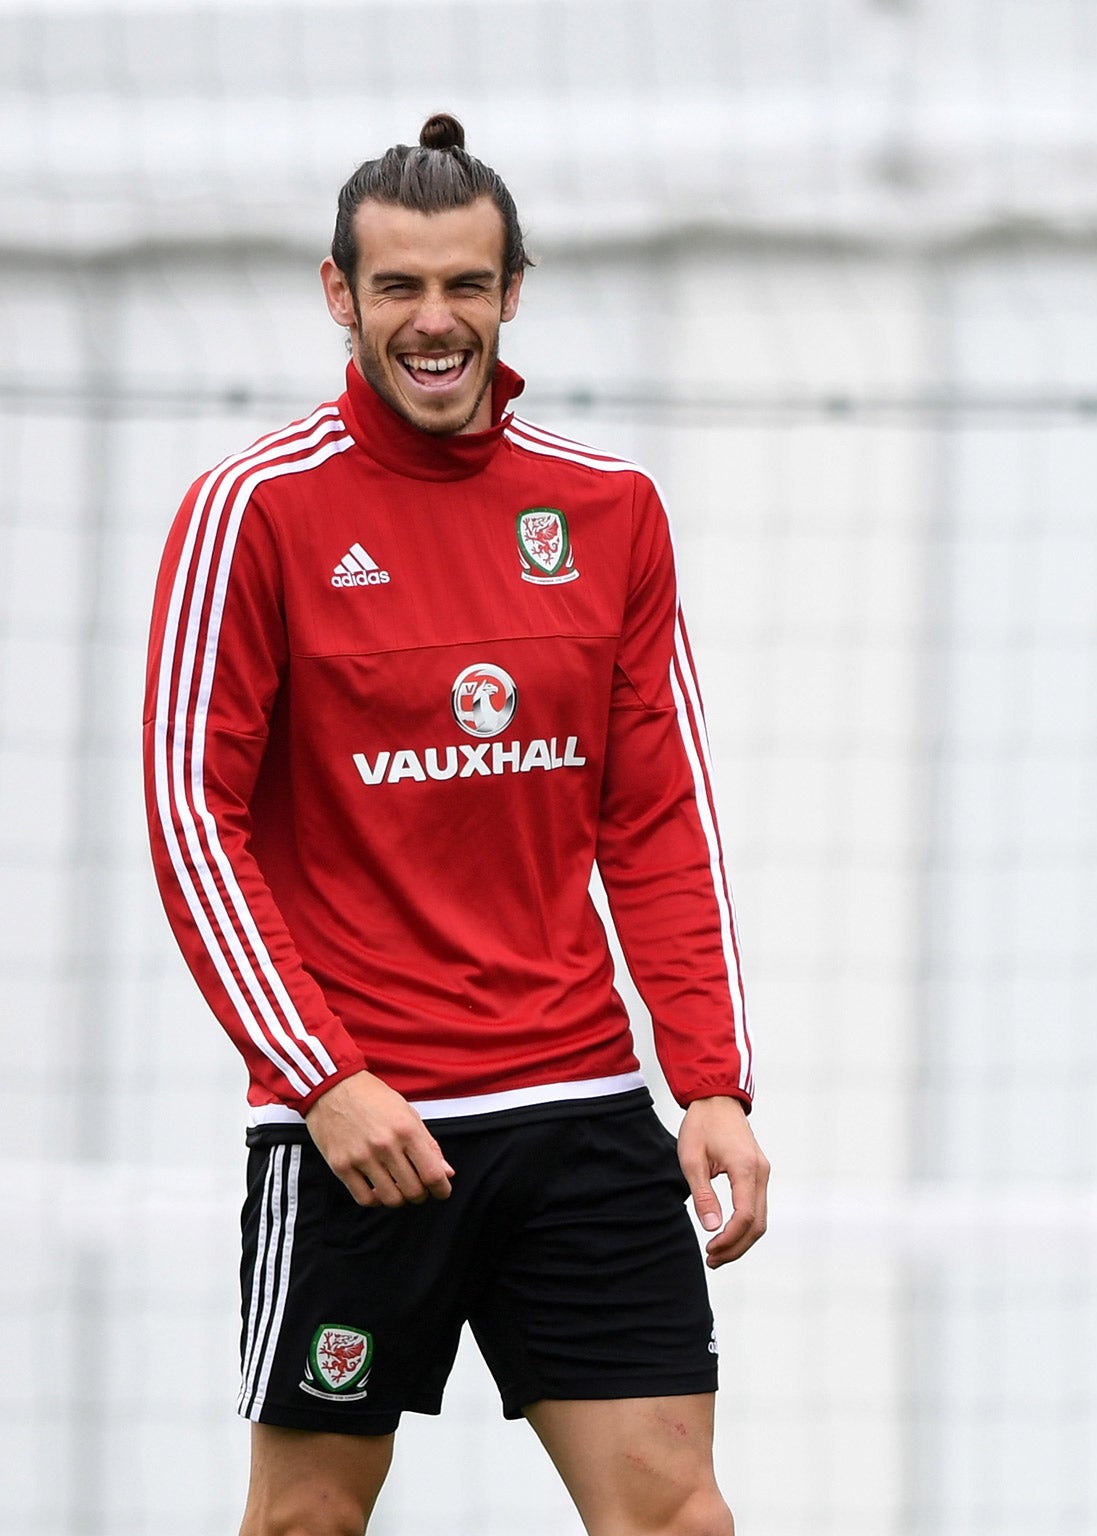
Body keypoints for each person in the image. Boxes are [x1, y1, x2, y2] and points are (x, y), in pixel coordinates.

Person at [143, 114, 766, 1536]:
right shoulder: (253, 513)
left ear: (512, 292)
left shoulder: (608, 509)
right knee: (307, 1518)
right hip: (365, 1123)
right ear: (338, 296)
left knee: (680, 1514)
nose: (435, 322)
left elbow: (660, 817)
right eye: (400, 288)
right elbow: (192, 816)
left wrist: (715, 1081)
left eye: (466, 287)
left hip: (580, 1111)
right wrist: (320, 1077)